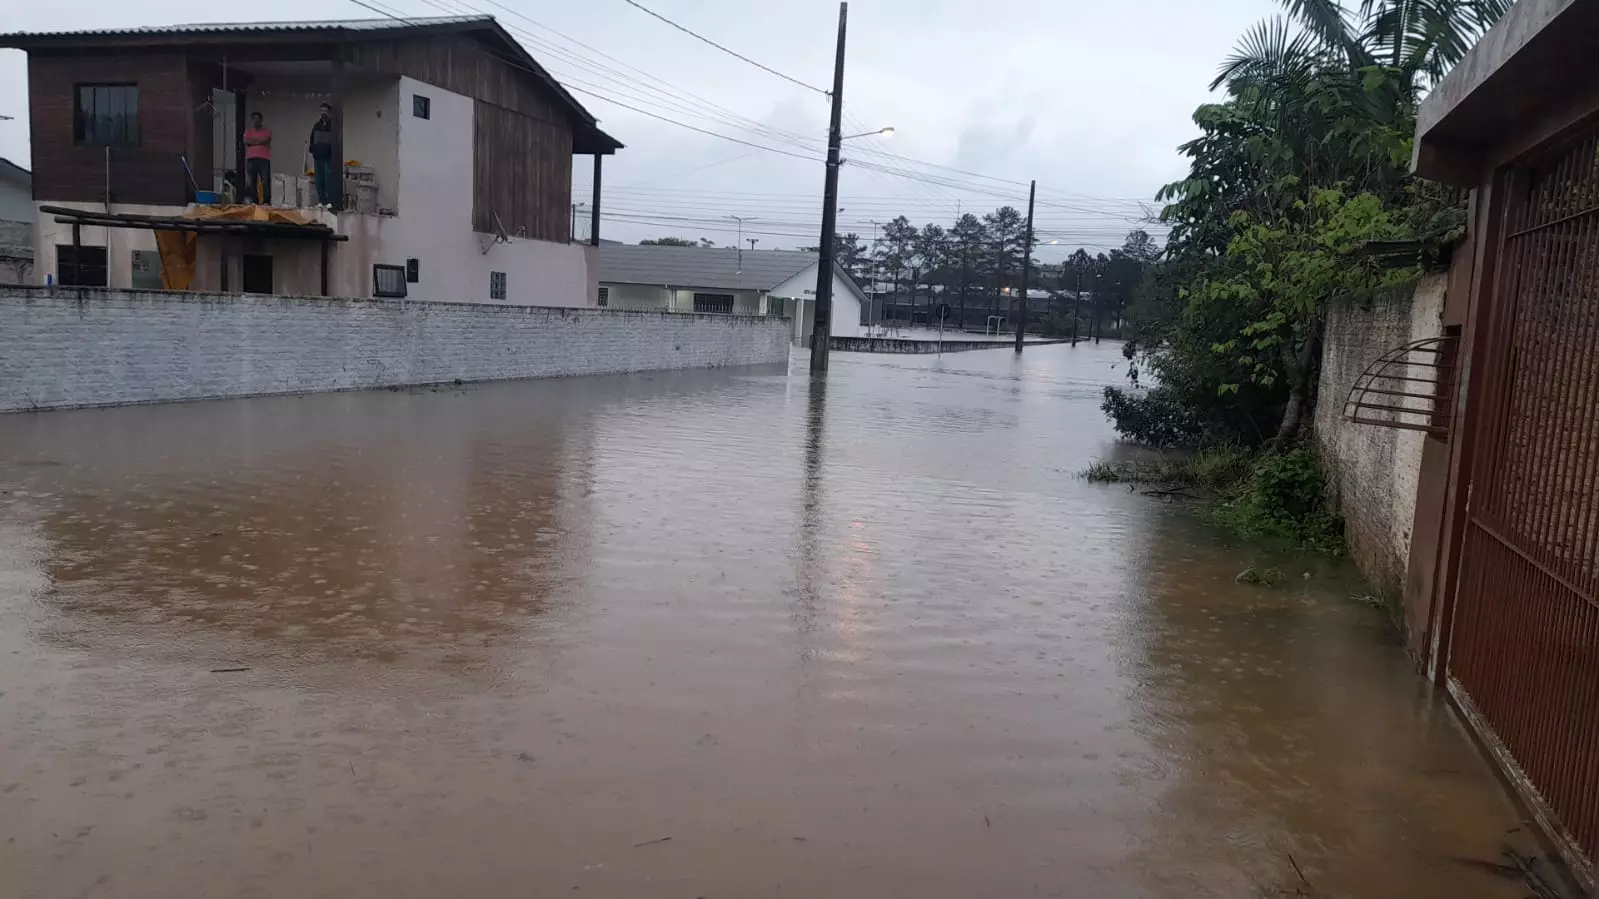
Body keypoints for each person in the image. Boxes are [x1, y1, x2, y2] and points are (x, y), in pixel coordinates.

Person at [309, 102, 337, 209]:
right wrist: (313, 151)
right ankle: (322, 200)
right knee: (319, 179)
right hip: (318, 156)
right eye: (321, 111)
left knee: (329, 178)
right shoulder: (316, 125)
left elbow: (336, 141)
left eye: (325, 111)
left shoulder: (333, 125)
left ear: (329, 113)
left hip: (329, 156)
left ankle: (330, 200)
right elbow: (312, 139)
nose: (323, 113)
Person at [242, 112, 272, 204]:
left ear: (261, 120)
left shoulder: (266, 131)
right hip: (251, 159)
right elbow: (246, 141)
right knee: (252, 181)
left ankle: (266, 201)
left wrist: (253, 141)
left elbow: (266, 139)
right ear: (252, 120)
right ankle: (254, 200)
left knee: (265, 181)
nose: (256, 120)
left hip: (263, 159)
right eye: (254, 118)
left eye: (258, 118)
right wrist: (259, 142)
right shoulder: (248, 131)